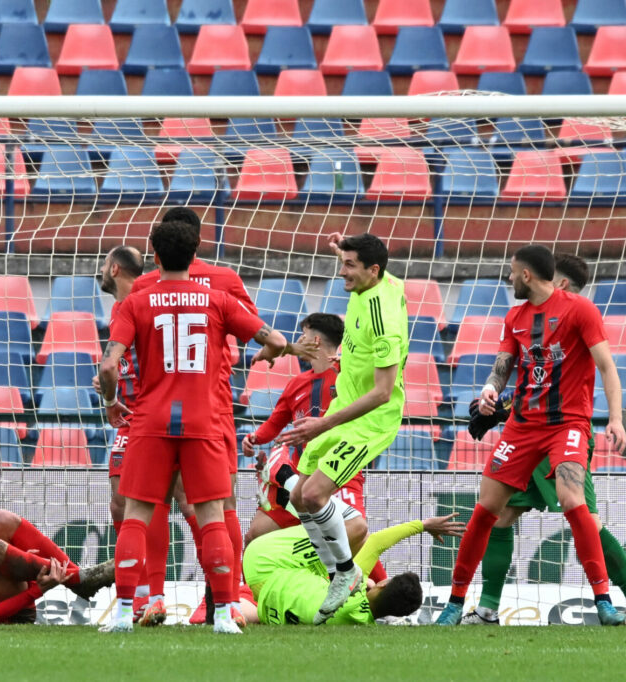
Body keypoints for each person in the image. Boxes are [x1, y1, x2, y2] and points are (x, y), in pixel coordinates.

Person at [98, 220, 315, 634]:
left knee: (137, 515)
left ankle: (125, 611)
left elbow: (109, 366)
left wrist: (111, 403)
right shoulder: (218, 299)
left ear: (154, 257)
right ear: (195, 252)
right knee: (213, 514)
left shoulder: (137, 300)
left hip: (151, 420)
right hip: (205, 420)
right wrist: (268, 355)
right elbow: (274, 339)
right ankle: (225, 614)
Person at [435, 245, 626, 627]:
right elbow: (502, 367)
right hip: (522, 427)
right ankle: (455, 603)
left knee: (572, 500)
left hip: (567, 424)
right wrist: (490, 390)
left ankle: (604, 601)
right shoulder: (515, 317)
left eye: (512, 272)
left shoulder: (580, 310)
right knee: (486, 510)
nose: (508, 278)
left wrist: (617, 419)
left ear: (526, 275)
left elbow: (607, 366)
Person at [130, 206, 257, 624]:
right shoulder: (225, 281)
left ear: (156, 248)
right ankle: (227, 601)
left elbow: (124, 346)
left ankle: (151, 597)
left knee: (148, 501)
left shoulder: (146, 285)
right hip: (212, 406)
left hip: (155, 407)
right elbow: (251, 331)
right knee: (219, 504)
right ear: (198, 241)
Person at [277, 233, 409, 624]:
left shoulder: (384, 320)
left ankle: (345, 572)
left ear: (373, 270)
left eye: (349, 265)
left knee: (314, 494)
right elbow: (371, 266)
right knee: (298, 496)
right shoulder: (377, 281)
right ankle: (338, 571)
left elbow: (383, 393)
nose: (342, 272)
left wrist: (323, 423)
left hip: (370, 421)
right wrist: (342, 250)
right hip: (344, 406)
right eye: (343, 263)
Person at [243, 313, 385, 589]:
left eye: (303, 335)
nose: (298, 341)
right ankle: (249, 597)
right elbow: (275, 425)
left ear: (315, 340)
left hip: (341, 473)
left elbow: (380, 396)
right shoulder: (296, 384)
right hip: (301, 477)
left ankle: (381, 592)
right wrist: (253, 438)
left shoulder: (349, 375)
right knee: (254, 536)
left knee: (354, 534)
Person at [97, 244, 172, 626]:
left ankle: (162, 595)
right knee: (120, 502)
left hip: (154, 413)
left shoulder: (148, 302)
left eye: (103, 265)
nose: (101, 271)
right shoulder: (118, 310)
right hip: (128, 416)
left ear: (114, 269)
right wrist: (108, 383)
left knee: (169, 502)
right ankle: (144, 594)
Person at [239, 513, 464, 626]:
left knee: (356, 529)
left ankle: (294, 490)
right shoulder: (360, 622)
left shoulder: (354, 586)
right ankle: (234, 609)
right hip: (265, 593)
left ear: (383, 584)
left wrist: (423, 526)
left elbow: (375, 542)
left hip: (264, 559)